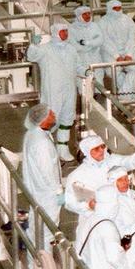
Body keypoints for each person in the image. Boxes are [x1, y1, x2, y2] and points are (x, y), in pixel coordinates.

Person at [64, 133, 135, 218]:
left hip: (119, 213)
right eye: (96, 149)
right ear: (87, 152)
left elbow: (131, 161)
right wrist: (88, 205)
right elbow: (70, 201)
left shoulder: (112, 160)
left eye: (102, 146)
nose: (101, 150)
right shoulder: (78, 175)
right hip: (94, 218)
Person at [27, 18, 82, 161]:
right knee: (50, 118)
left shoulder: (71, 49)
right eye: (62, 31)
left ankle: (62, 149)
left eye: (66, 31)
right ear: (56, 33)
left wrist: (86, 71)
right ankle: (45, 150)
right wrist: (33, 45)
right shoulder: (45, 49)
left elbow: (78, 65)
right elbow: (31, 56)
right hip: (53, 90)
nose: (65, 34)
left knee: (67, 118)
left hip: (69, 90)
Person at [20, 103, 62, 251]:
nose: (54, 115)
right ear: (43, 119)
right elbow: (47, 171)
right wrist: (58, 192)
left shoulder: (33, 133)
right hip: (47, 193)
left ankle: (35, 264)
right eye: (50, 114)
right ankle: (45, 266)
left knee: (35, 226)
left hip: (36, 189)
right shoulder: (42, 143)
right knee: (48, 231)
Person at [99, 0, 135, 102]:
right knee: (113, 71)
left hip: (129, 50)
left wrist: (129, 54)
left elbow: (133, 37)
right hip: (110, 52)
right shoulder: (102, 22)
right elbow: (105, 41)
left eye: (119, 8)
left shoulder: (127, 20)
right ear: (109, 9)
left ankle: (124, 97)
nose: (118, 10)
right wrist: (116, 56)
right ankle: (129, 95)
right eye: (115, 8)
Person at [69, 5, 108, 86]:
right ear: (79, 16)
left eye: (89, 13)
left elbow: (100, 40)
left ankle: (99, 97)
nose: (87, 16)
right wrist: (91, 46)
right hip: (81, 60)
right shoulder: (72, 29)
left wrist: (87, 43)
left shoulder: (94, 26)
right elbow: (74, 46)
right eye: (85, 14)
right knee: (83, 83)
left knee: (99, 81)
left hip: (96, 58)